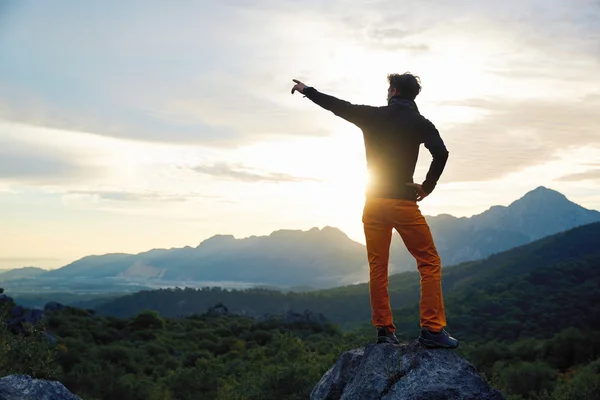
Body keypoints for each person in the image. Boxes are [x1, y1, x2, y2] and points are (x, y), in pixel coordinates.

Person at [291, 73, 458, 349]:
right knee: (429, 263)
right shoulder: (421, 123)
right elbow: (441, 153)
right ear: (412, 95)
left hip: (373, 203)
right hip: (403, 203)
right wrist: (426, 187)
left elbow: (338, 106)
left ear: (392, 91)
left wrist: (307, 90)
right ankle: (432, 329)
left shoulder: (373, 116)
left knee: (377, 267)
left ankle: (384, 331)